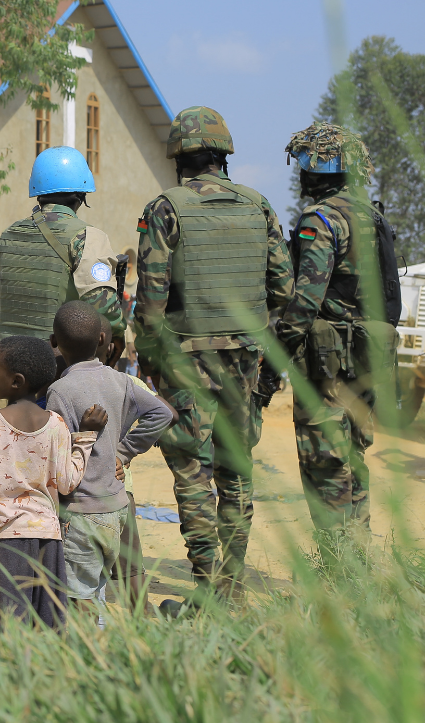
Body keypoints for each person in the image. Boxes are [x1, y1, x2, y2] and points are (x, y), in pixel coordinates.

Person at [133, 106, 292, 608]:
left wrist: (148, 357)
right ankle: (233, 584)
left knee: (190, 468)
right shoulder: (259, 206)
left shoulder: (166, 208)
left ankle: (205, 581)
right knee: (236, 467)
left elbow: (151, 297)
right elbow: (283, 288)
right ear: (224, 155)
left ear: (179, 158)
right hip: (245, 359)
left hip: (186, 357)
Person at [278, 122, 396, 550]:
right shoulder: (372, 215)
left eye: (306, 166)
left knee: (323, 464)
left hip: (328, 366)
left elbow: (307, 299)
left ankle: (337, 567)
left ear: (320, 170)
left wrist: (278, 353)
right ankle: (358, 559)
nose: (302, 176)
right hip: (365, 361)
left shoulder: (321, 218)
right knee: (353, 459)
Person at [0, 335, 105, 630]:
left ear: (16, 381)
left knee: (10, 622)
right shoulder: (57, 424)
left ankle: (13, 673)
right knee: (47, 622)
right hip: (49, 536)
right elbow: (67, 482)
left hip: (7, 536)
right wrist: (86, 437)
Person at [46, 301, 173, 619]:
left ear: (55, 343)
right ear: (103, 340)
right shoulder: (122, 382)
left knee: (83, 596)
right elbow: (163, 412)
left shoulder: (60, 391)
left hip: (81, 511)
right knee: (109, 582)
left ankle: (93, 655)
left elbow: (57, 454)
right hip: (117, 508)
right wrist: (125, 451)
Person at [0, 146, 123, 363]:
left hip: (11, 365)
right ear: (81, 195)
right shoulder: (88, 237)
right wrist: (119, 338)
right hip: (59, 365)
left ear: (38, 193)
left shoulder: (7, 237)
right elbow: (103, 309)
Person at [96, 314, 173, 614]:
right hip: (119, 487)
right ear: (114, 348)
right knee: (129, 562)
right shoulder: (129, 383)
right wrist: (124, 452)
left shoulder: (62, 384)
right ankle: (141, 618)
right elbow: (167, 413)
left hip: (76, 489)